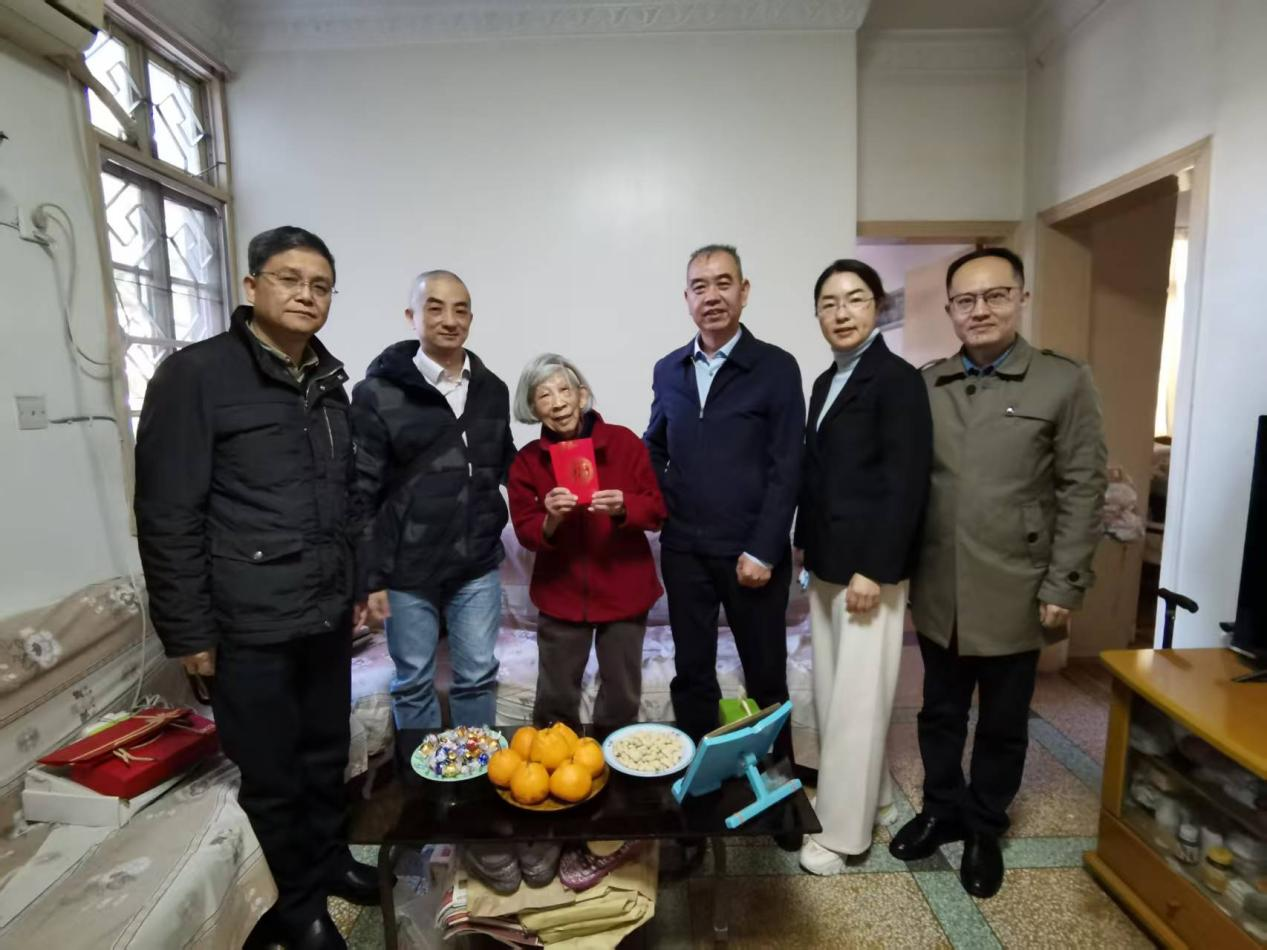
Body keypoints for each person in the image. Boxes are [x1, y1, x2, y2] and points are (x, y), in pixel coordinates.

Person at [135, 226, 377, 950]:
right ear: (251, 286)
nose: (306, 295)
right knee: (272, 773)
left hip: (323, 612)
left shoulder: (329, 382)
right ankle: (297, 907)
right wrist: (190, 633)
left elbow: (346, 500)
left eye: (321, 285)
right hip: (247, 620)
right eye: (289, 279)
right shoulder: (196, 376)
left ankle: (330, 861)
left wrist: (357, 585)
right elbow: (167, 512)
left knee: (325, 754)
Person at [888, 247, 1107, 899]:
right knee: (938, 711)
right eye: (965, 300)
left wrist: (1064, 582)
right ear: (950, 309)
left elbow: (1083, 486)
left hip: (1018, 583)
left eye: (995, 295)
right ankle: (941, 808)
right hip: (941, 585)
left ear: (1020, 299)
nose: (979, 310)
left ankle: (985, 825)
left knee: (1004, 720)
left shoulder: (1062, 381)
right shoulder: (928, 384)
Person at [793, 260, 932, 875]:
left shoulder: (897, 380)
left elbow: (905, 483)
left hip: (868, 574)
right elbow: (818, 474)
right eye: (829, 303)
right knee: (833, 695)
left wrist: (875, 569)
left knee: (856, 701)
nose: (841, 312)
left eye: (854, 299)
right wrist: (806, 547)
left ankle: (844, 834)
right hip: (828, 565)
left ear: (877, 307)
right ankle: (870, 797)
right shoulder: (827, 381)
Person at [644, 244, 805, 772]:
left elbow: (788, 465)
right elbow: (653, 446)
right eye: (700, 286)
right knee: (693, 674)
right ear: (686, 298)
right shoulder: (668, 369)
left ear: (744, 291)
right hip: (684, 550)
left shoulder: (776, 367)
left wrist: (764, 549)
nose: (711, 296)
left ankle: (775, 785)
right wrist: (659, 499)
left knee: (765, 675)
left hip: (750, 554)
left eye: (723, 283)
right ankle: (700, 781)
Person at [350, 269, 515, 760]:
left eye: (460, 309)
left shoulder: (491, 388)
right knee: (413, 682)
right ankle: (423, 788)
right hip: (407, 570)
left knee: (476, 677)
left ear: (471, 318)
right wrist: (369, 579)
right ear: (412, 316)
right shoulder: (377, 393)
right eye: (435, 308)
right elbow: (362, 490)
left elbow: (504, 461)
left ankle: (476, 778)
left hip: (476, 564)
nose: (449, 319)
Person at [507, 354, 667, 729]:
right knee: (555, 696)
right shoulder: (527, 461)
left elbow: (657, 509)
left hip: (624, 589)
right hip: (560, 593)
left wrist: (624, 505)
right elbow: (526, 531)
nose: (557, 403)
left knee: (622, 695)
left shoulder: (624, 442)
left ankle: (614, 759)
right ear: (532, 408)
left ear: (581, 395)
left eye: (564, 390)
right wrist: (550, 518)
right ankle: (557, 759)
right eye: (543, 395)